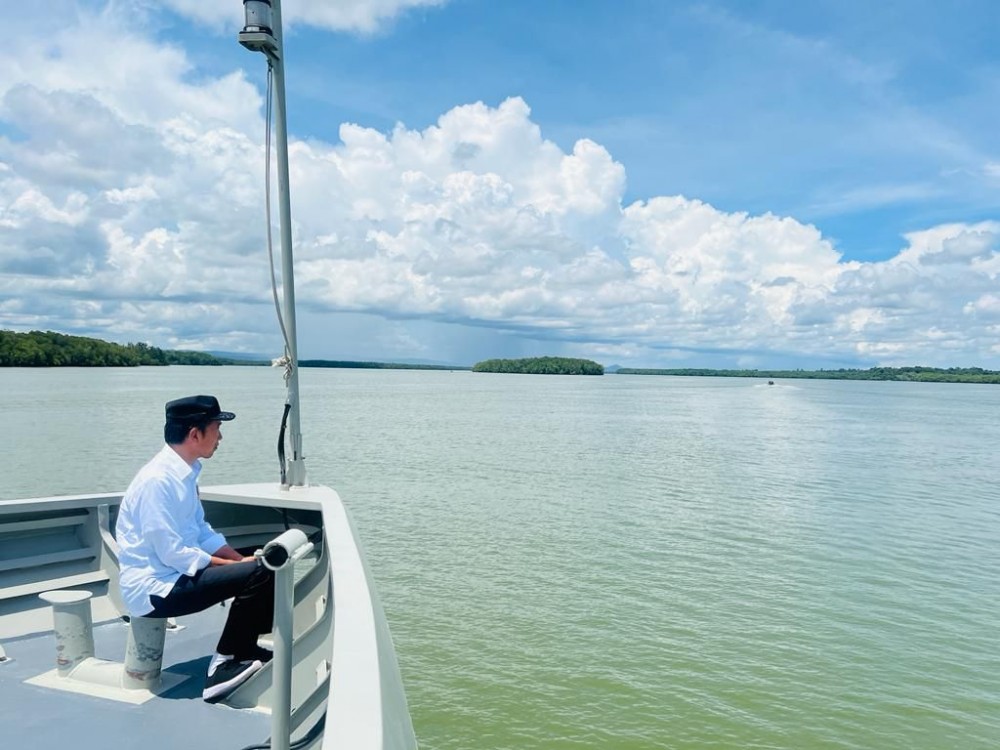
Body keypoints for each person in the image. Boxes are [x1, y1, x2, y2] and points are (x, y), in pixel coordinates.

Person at [116, 394, 274, 703]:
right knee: (258, 571)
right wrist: (235, 568)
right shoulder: (157, 481)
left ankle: (247, 646)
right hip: (156, 590)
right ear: (195, 434)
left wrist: (238, 557)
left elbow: (200, 530)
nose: (221, 437)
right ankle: (225, 663)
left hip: (173, 574)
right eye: (216, 428)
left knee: (264, 556)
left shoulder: (184, 472)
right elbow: (173, 553)